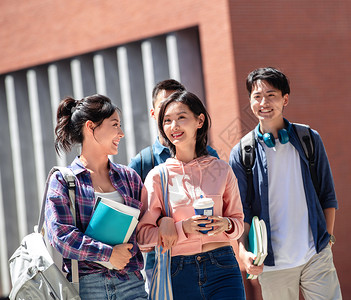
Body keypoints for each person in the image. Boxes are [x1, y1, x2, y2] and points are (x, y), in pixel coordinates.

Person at [229, 67, 342, 300]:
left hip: (315, 256)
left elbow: (327, 195)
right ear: (250, 100)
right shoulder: (242, 153)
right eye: (257, 96)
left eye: (271, 95)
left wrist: (327, 240)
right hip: (272, 266)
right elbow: (242, 213)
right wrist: (243, 253)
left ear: (285, 99)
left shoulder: (309, 139)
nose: (264, 102)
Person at [137, 91, 246, 299]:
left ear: (200, 120)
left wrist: (227, 225)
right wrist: (181, 228)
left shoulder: (222, 169)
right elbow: (142, 238)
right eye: (167, 121)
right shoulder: (157, 177)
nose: (174, 126)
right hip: (179, 270)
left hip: (223, 266)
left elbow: (238, 222)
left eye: (181, 117)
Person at [45, 94, 148, 299]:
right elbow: (61, 236)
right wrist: (108, 254)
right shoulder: (63, 181)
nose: (121, 133)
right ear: (91, 127)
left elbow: (145, 229)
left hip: (131, 284)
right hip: (87, 288)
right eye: (115, 124)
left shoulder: (129, 178)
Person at [128, 79, 220, 288]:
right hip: (161, 265)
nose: (171, 118)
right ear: (154, 114)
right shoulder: (142, 163)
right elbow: (134, 224)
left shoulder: (211, 158)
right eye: (164, 109)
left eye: (178, 109)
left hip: (208, 260)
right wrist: (161, 220)